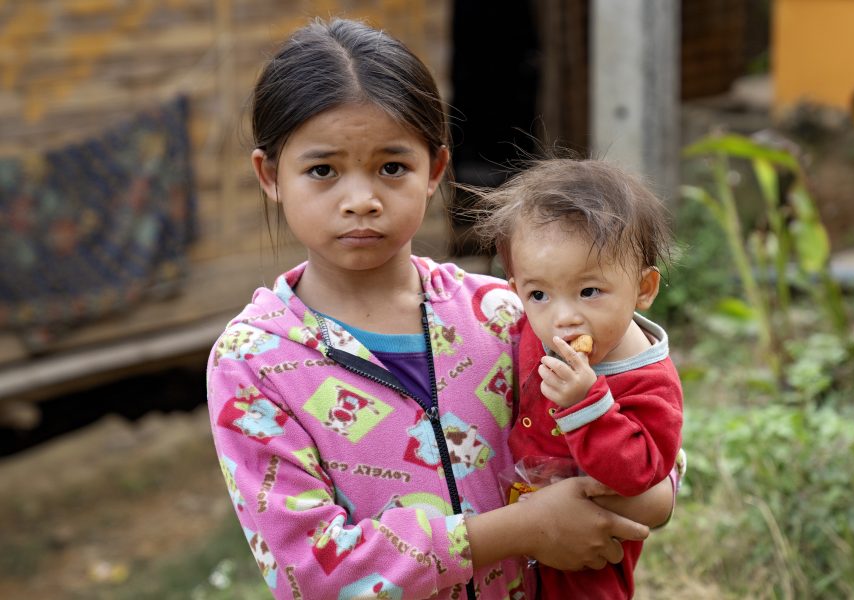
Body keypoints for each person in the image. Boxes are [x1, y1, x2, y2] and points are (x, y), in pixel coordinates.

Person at [206, 18, 673, 600]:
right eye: (323, 170)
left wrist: (655, 490)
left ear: (434, 171)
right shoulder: (253, 363)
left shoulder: (502, 314)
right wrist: (522, 529)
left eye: (392, 167)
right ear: (270, 176)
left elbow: (642, 425)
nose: (361, 201)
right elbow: (311, 572)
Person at [473, 158, 685, 599]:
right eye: (539, 294)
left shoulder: (648, 381)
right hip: (510, 549)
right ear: (516, 289)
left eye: (589, 292)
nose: (564, 318)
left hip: (587, 559)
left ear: (644, 288)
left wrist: (586, 403)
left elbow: (643, 473)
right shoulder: (534, 325)